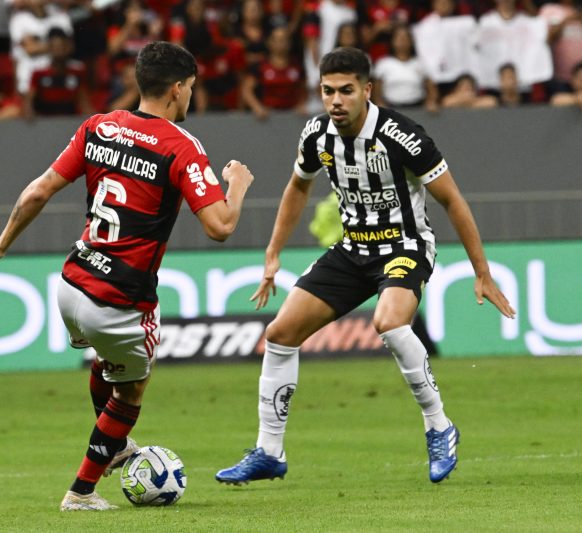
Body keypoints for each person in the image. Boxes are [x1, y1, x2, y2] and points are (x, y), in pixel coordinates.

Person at [0, 41, 255, 511]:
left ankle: (117, 444)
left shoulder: (98, 127)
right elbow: (220, 226)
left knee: (109, 364)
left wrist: (0, 245)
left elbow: (40, 190)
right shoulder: (181, 146)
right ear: (178, 88)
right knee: (133, 388)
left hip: (72, 284)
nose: (191, 97)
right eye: (192, 89)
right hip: (119, 298)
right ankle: (81, 491)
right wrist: (236, 186)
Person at [215, 47, 514, 486]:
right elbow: (297, 187)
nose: (335, 100)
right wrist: (273, 253)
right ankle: (269, 451)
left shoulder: (402, 135)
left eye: (346, 91)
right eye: (327, 91)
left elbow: (452, 200)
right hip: (353, 249)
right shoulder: (316, 134)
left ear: (367, 91)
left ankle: (439, 427)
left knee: (389, 323)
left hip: (405, 246)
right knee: (280, 334)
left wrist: (482, 271)